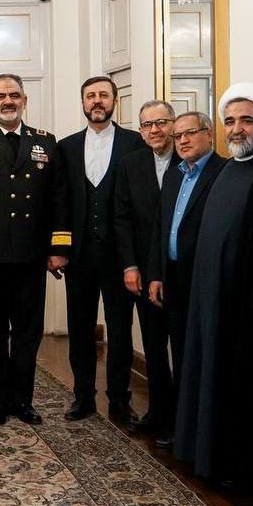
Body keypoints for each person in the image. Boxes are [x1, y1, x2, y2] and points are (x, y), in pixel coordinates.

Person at [171, 87, 253, 495]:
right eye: (230, 121)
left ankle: (246, 468)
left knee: (250, 384)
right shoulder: (226, 169)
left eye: (246, 120)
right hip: (212, 297)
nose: (237, 129)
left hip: (250, 301)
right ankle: (209, 457)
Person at [0, 73, 71, 425]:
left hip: (31, 256)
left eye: (14, 95)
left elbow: (59, 198)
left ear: (24, 100)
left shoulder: (46, 142)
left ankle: (23, 400)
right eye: (1, 95)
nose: (8, 101)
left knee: (27, 332)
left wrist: (58, 247)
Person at [56, 76, 146, 424]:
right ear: (82, 102)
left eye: (103, 95)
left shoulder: (135, 143)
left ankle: (120, 400)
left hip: (121, 257)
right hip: (79, 255)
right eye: (91, 96)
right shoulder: (66, 146)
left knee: (120, 329)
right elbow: (59, 202)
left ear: (114, 101)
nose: (97, 101)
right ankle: (83, 397)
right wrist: (58, 248)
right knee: (79, 328)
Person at [146, 110, 224, 448]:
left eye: (190, 133)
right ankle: (182, 427)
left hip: (205, 278)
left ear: (209, 133)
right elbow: (161, 228)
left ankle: (202, 433)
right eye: (178, 136)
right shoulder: (175, 176)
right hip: (174, 277)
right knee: (180, 353)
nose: (183, 140)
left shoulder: (223, 173)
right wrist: (156, 274)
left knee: (203, 355)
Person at [114, 100, 178, 437]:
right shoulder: (131, 164)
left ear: (173, 125)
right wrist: (130, 266)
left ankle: (183, 419)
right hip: (142, 269)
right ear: (140, 131)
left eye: (161, 123)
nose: (155, 130)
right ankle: (158, 412)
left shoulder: (189, 159)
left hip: (180, 272)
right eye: (147, 125)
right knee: (153, 346)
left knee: (182, 347)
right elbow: (121, 218)